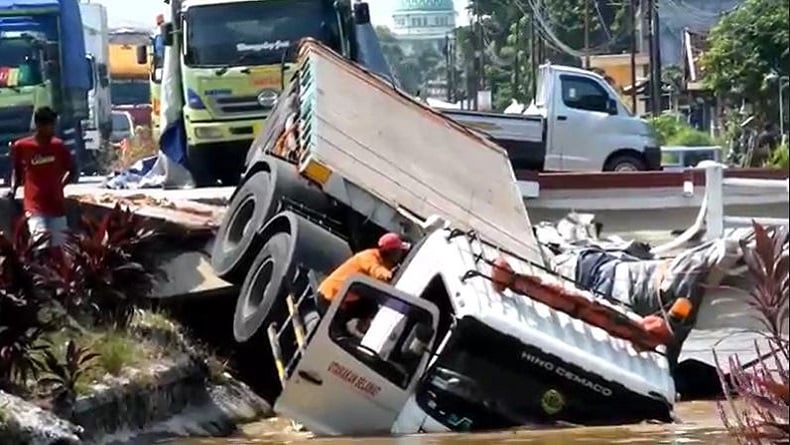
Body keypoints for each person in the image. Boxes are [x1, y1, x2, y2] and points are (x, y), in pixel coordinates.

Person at [5, 106, 73, 261]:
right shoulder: (22, 146)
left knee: (61, 248)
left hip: (57, 206)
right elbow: (17, 171)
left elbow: (72, 170)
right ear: (39, 125)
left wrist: (60, 185)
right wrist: (13, 190)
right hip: (35, 205)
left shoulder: (58, 146)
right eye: (49, 125)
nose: (52, 129)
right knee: (41, 244)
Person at [316, 232, 411, 325]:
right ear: (391, 251)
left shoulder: (387, 262)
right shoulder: (368, 257)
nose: (401, 253)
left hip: (348, 298)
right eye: (399, 250)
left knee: (372, 309)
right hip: (328, 298)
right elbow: (375, 270)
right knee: (339, 331)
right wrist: (388, 275)